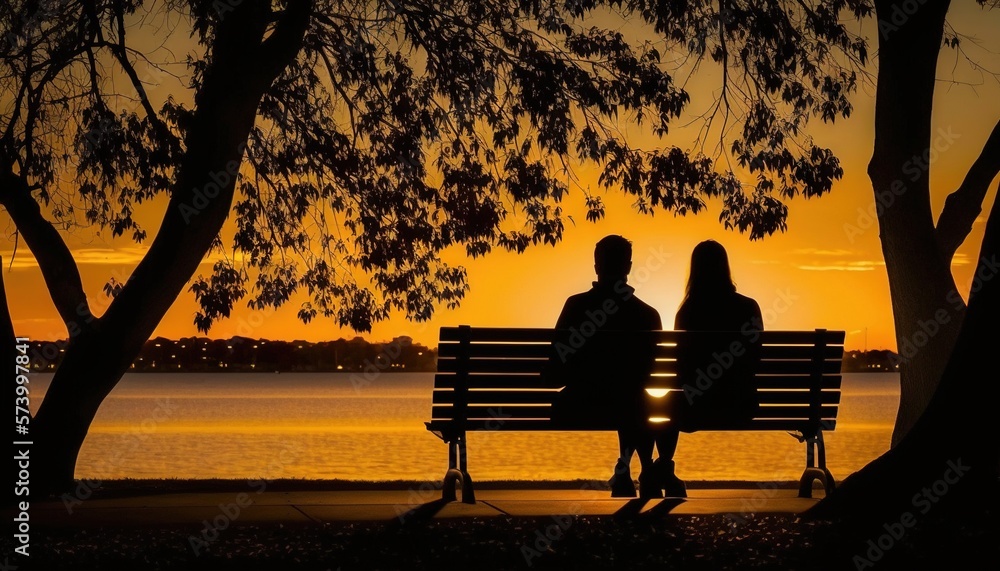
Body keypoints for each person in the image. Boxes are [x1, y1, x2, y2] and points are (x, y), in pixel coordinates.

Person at [545, 235, 669, 498]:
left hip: (581, 402)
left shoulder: (576, 305)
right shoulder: (648, 314)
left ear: (597, 267)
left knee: (630, 398)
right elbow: (646, 375)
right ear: (629, 267)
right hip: (632, 402)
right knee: (636, 399)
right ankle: (643, 469)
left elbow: (555, 370)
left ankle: (625, 471)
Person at [672, 240, 763, 480]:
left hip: (697, 408)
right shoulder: (748, 307)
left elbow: (680, 368)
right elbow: (756, 358)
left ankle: (661, 465)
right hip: (742, 405)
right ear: (725, 267)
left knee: (660, 407)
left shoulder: (687, 312)